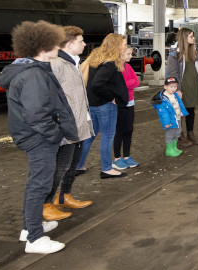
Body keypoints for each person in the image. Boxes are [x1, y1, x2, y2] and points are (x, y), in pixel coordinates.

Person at [0, 20, 78, 254]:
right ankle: (34, 237)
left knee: (39, 181)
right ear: (43, 48)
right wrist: (55, 135)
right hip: (39, 138)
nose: (58, 47)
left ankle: (29, 227)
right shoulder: (33, 75)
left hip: (36, 135)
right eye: (55, 44)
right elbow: (36, 114)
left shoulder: (32, 70)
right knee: (39, 183)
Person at [46, 26, 95, 220]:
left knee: (72, 165)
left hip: (80, 123)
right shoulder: (57, 64)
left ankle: (64, 195)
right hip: (67, 126)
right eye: (80, 41)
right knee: (61, 167)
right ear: (68, 44)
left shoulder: (74, 63)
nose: (84, 44)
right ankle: (46, 203)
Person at [80, 33, 129, 179]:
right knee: (108, 136)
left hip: (93, 103)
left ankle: (79, 165)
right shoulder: (110, 63)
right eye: (124, 44)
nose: (126, 47)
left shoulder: (97, 58)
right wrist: (111, 97)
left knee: (89, 136)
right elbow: (97, 84)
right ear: (117, 45)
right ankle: (107, 168)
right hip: (105, 105)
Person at [166, 28, 198, 146]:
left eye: (193, 36)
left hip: (193, 84)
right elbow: (173, 73)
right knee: (179, 112)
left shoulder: (195, 50)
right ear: (184, 38)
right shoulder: (174, 53)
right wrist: (177, 89)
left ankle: (190, 133)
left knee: (191, 110)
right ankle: (179, 135)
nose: (193, 38)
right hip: (182, 86)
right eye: (191, 36)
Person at [113, 46, 140, 168]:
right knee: (119, 130)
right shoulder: (116, 68)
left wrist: (126, 84)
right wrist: (128, 84)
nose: (130, 56)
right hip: (120, 103)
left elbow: (137, 81)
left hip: (130, 102)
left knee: (129, 129)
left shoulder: (128, 66)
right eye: (128, 54)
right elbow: (120, 85)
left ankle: (127, 156)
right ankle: (117, 157)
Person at [151, 77, 188, 157]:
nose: (173, 88)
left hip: (177, 117)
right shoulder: (163, 99)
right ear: (165, 87)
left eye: (175, 86)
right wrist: (166, 123)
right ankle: (169, 149)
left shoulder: (175, 95)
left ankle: (174, 147)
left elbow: (179, 104)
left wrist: (182, 113)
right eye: (171, 87)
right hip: (170, 120)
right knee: (170, 134)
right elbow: (164, 113)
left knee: (178, 132)